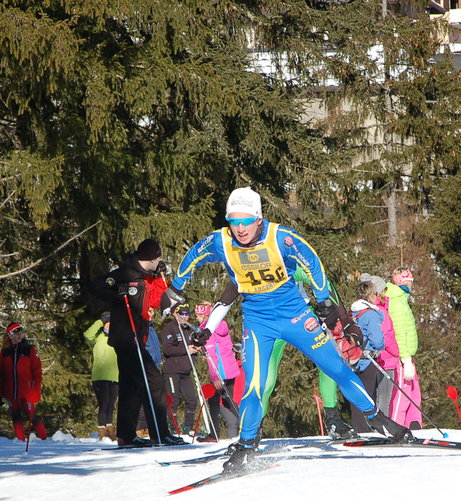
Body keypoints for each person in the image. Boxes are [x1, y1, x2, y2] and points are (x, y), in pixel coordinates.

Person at [164, 186, 413, 471]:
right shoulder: (222, 241)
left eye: (246, 221)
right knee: (255, 385)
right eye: (234, 221)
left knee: (337, 369)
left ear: (258, 219)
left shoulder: (281, 238)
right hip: (258, 322)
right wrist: (175, 289)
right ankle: (246, 445)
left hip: (296, 317)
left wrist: (325, 303)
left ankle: (377, 418)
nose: (240, 228)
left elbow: (314, 265)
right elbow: (194, 255)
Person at [89, 238, 184, 447]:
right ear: (149, 258)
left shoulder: (149, 276)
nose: (159, 260)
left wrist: (162, 277)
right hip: (126, 337)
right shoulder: (125, 273)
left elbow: (160, 300)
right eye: (157, 257)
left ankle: (126, 435)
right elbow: (97, 286)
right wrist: (115, 294)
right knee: (154, 383)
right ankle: (159, 433)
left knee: (131, 388)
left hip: (138, 337)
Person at [196, 300, 240, 441]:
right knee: (216, 400)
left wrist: (215, 377)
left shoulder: (209, 331)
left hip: (220, 371)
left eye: (198, 315)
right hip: (228, 369)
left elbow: (212, 356)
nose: (196, 318)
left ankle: (250, 427)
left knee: (228, 402)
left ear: (204, 315)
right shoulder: (221, 325)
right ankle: (215, 434)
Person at [0, 322, 47, 441]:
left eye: (20, 333)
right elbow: (0, 373)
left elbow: (37, 371)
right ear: (10, 335)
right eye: (16, 333)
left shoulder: (29, 349)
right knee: (16, 415)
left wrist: (36, 388)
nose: (19, 336)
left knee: (32, 415)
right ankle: (20, 439)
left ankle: (44, 438)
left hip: (27, 390)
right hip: (11, 390)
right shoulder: (5, 352)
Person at [386, 267, 422, 429]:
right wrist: (405, 358)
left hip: (408, 354)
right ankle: (396, 427)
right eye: (410, 281)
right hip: (402, 355)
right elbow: (399, 332)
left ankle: (414, 425)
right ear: (402, 281)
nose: (412, 284)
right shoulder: (396, 301)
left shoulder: (402, 298)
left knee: (414, 392)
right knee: (403, 393)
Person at [359, 272, 400, 414]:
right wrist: (397, 352)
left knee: (374, 397)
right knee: (384, 398)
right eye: (384, 291)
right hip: (385, 361)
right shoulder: (380, 312)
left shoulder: (365, 310)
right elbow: (386, 337)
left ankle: (377, 426)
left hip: (373, 361)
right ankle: (382, 426)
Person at [349, 281, 387, 432]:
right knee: (368, 394)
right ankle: (364, 429)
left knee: (357, 393)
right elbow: (377, 340)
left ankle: (359, 426)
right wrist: (381, 347)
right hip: (367, 359)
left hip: (354, 358)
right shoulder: (370, 314)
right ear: (371, 296)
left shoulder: (353, 312)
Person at [160, 304, 202, 435]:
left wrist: (196, 348)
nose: (184, 316)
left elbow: (194, 343)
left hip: (186, 370)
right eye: (182, 314)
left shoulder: (189, 329)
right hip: (172, 369)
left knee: (191, 399)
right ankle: (171, 427)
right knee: (174, 399)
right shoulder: (170, 328)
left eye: (187, 314)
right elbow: (167, 349)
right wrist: (186, 349)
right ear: (176, 314)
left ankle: (188, 427)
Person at [83, 313, 119, 442]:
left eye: (111, 323)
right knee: (103, 404)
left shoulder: (117, 339)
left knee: (111, 404)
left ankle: (110, 429)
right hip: (100, 377)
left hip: (114, 377)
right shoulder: (98, 338)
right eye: (107, 323)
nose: (109, 326)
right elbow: (87, 335)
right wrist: (99, 321)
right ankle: (102, 431)